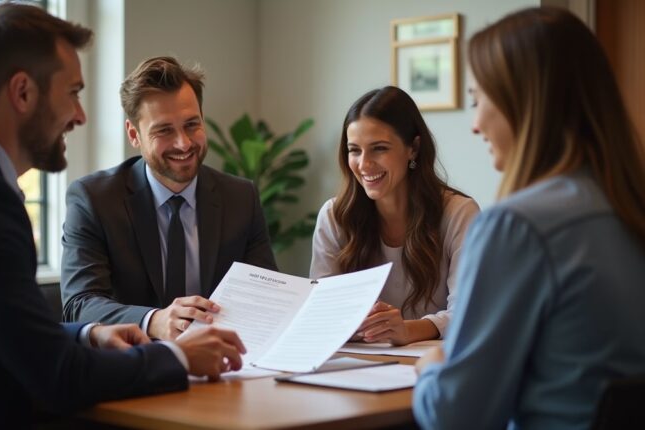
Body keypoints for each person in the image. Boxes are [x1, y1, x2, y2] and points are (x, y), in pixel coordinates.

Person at [0, 4, 245, 428]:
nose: (80, 115)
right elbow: (59, 377)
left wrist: (88, 334)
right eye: (72, 92)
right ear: (23, 92)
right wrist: (178, 355)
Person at [413, 7, 645, 430]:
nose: (475, 125)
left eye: (477, 100)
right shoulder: (627, 209)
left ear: (524, 102)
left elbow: (457, 417)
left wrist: (432, 367)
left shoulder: (517, 226)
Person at [61, 56, 277, 341]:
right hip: (132, 369)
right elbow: (79, 304)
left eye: (191, 125)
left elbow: (268, 297)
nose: (183, 143)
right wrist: (153, 320)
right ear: (133, 134)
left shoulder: (240, 198)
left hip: (226, 367)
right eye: (164, 130)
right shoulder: (94, 200)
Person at [310, 86, 479, 346]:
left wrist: (407, 330)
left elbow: (470, 313)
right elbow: (322, 315)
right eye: (354, 150)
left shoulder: (459, 213)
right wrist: (356, 324)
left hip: (431, 368)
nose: (364, 164)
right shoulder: (334, 217)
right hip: (355, 367)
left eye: (379, 148)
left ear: (413, 148)